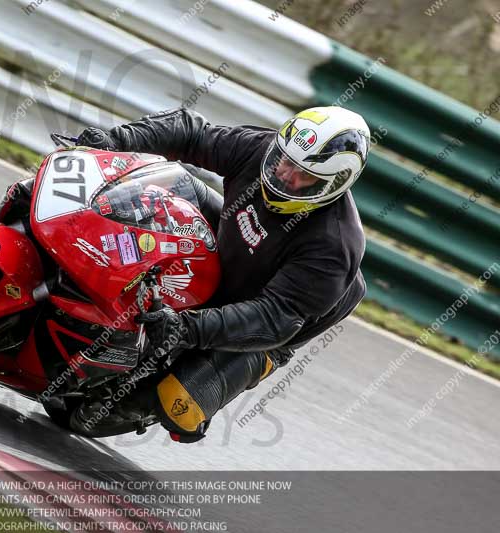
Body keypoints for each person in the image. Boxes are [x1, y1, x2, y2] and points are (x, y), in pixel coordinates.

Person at [74, 106, 371, 442]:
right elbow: (190, 132)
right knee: (169, 184)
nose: (284, 176)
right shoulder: (261, 150)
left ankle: (141, 401)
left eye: (303, 175)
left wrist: (184, 329)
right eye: (284, 161)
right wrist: (115, 140)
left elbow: (275, 318)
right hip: (227, 240)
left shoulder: (334, 246)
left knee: (178, 404)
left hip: (267, 325)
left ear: (333, 184)